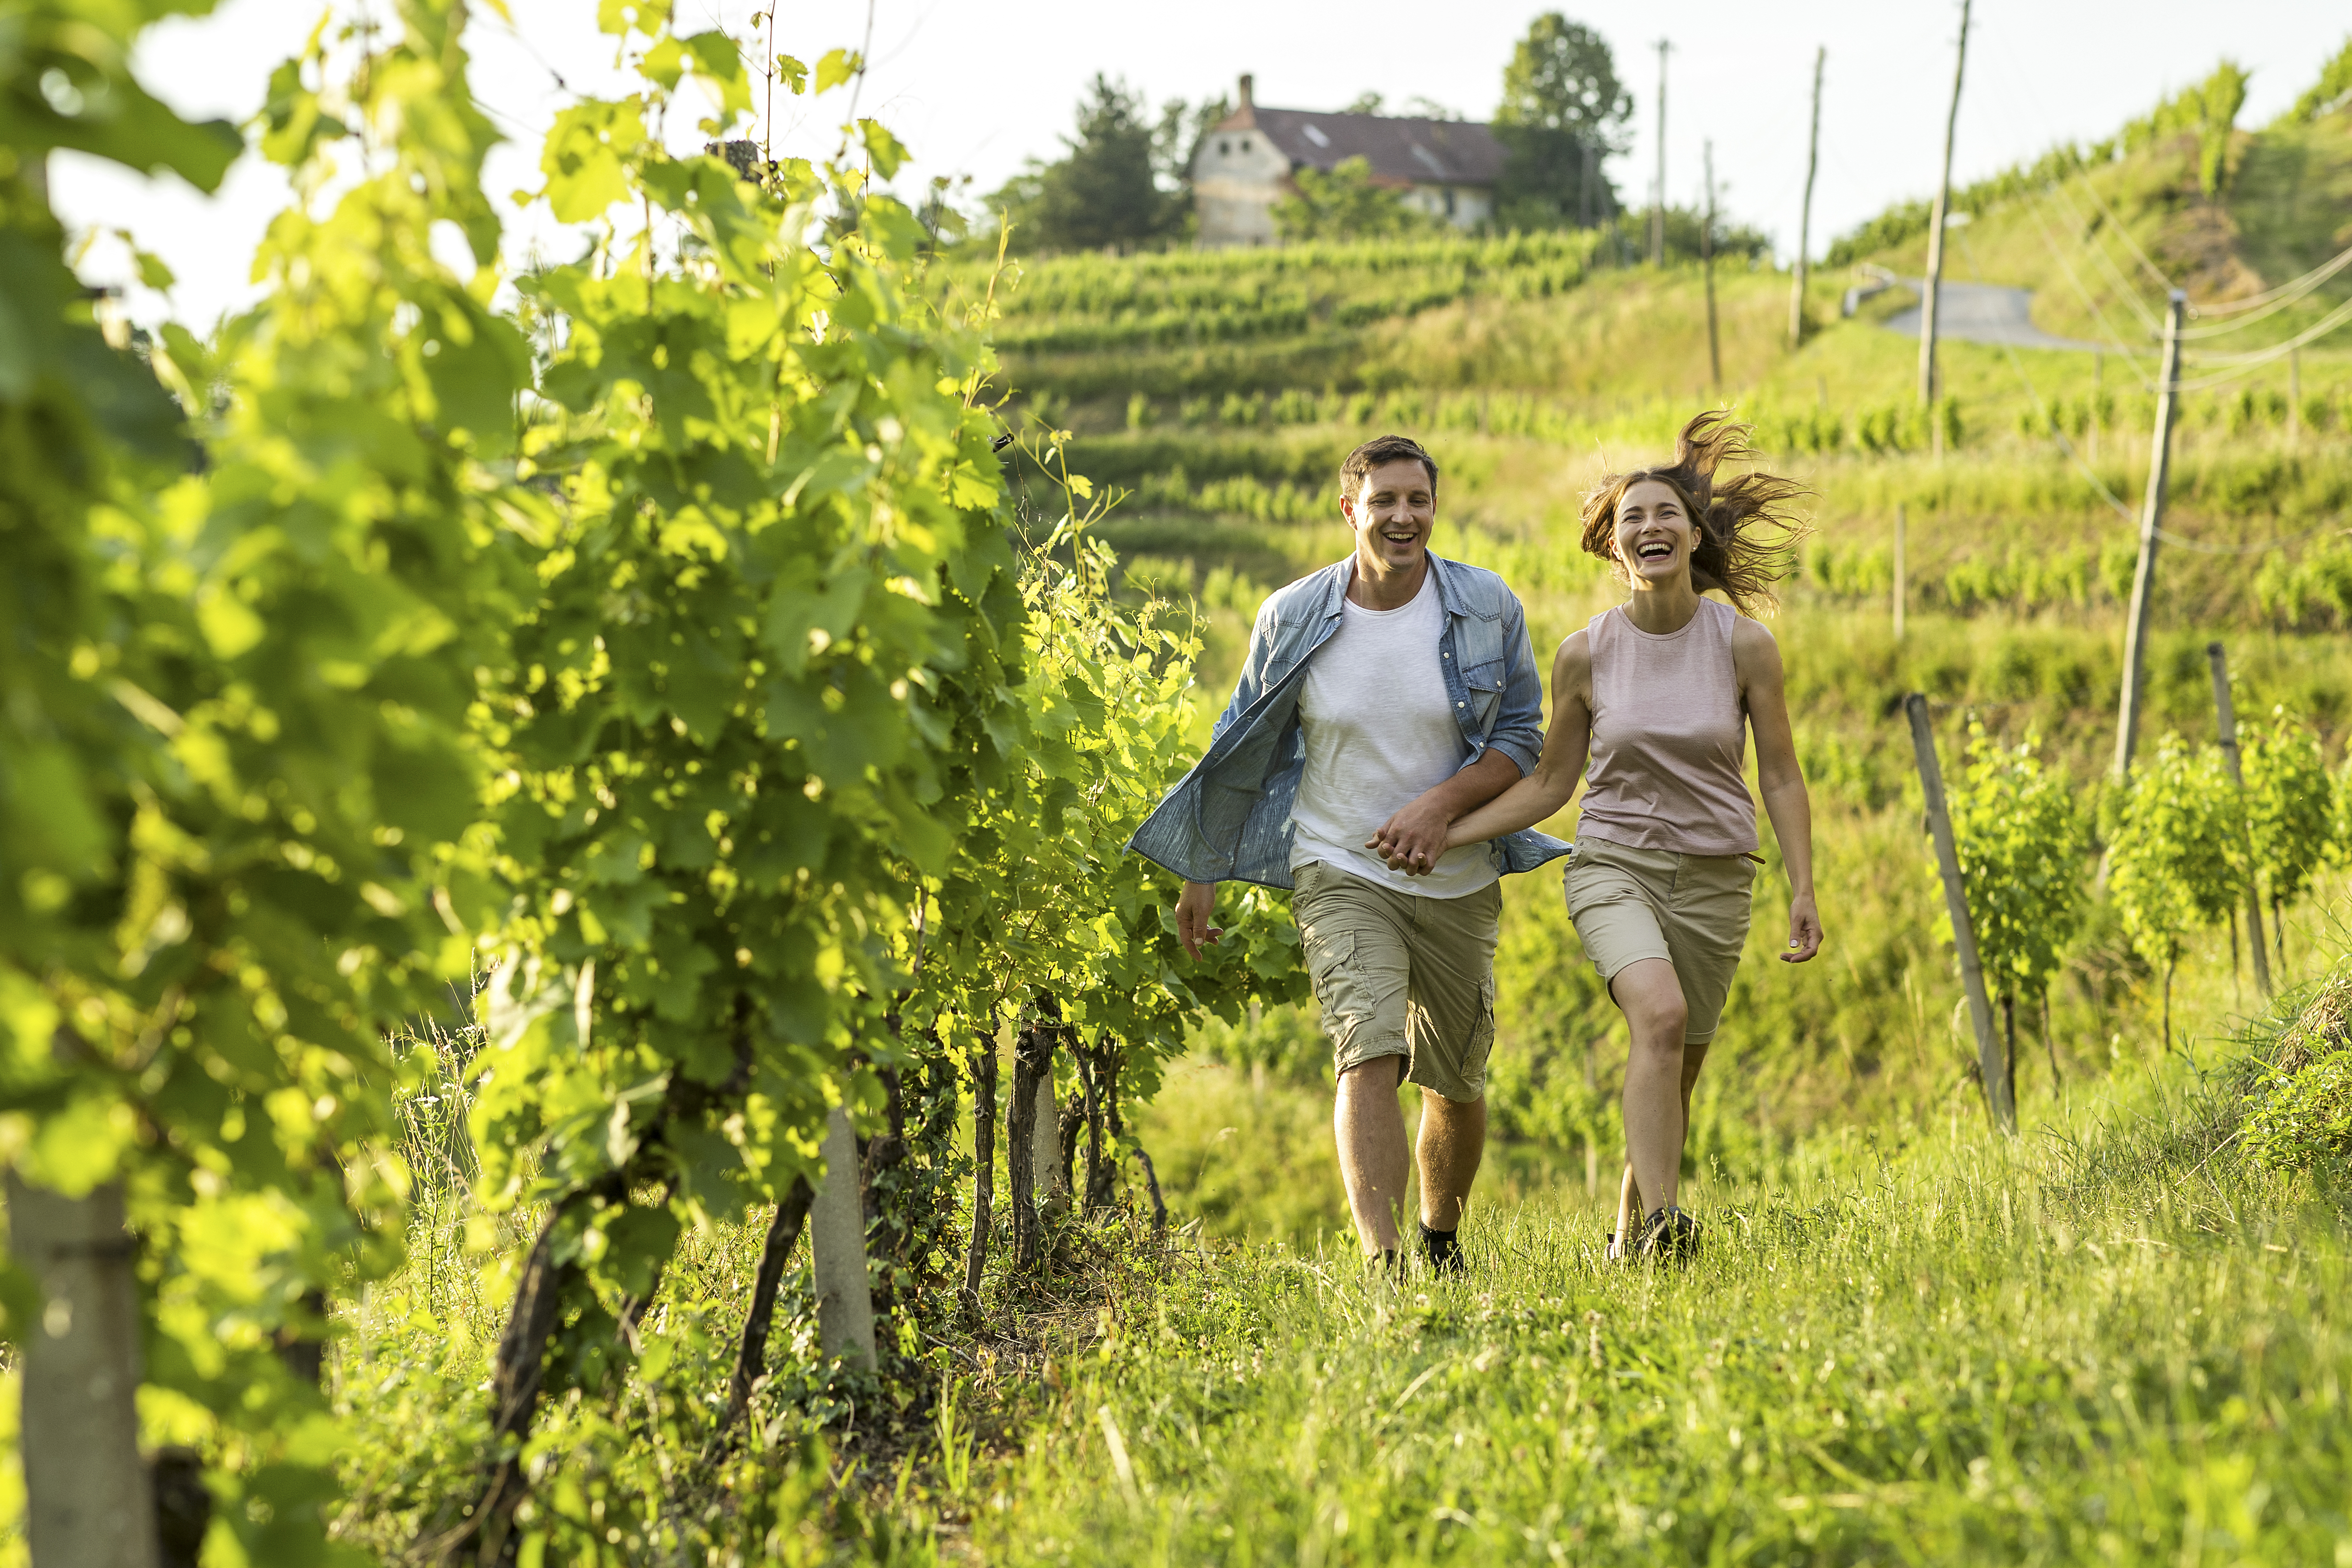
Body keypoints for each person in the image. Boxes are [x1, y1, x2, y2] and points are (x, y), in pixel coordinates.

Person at [1386, 411, 1822, 1261]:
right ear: (1613, 547)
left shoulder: (1746, 647)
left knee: (1675, 1064)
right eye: (1633, 518)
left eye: (1667, 515)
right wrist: (1450, 827)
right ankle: (1665, 1229)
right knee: (1657, 1016)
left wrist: (1803, 887)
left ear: (1695, 537)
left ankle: (1628, 1235)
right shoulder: (1586, 654)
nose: (1651, 527)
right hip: (1614, 866)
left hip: (1718, 878)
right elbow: (1552, 783)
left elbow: (1779, 775)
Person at [1128, 434, 1567, 1274]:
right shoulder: (1294, 614)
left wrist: (1440, 811)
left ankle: (1440, 1237)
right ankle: (1387, 1263)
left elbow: (1520, 738)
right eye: (1385, 501)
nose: (1403, 517)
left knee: (1457, 1079)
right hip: (1337, 865)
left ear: (1434, 507)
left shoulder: (1485, 604)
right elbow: (1241, 744)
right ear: (1350, 509)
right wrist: (1203, 868)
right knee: (1367, 1044)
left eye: (1418, 501)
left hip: (1459, 875)